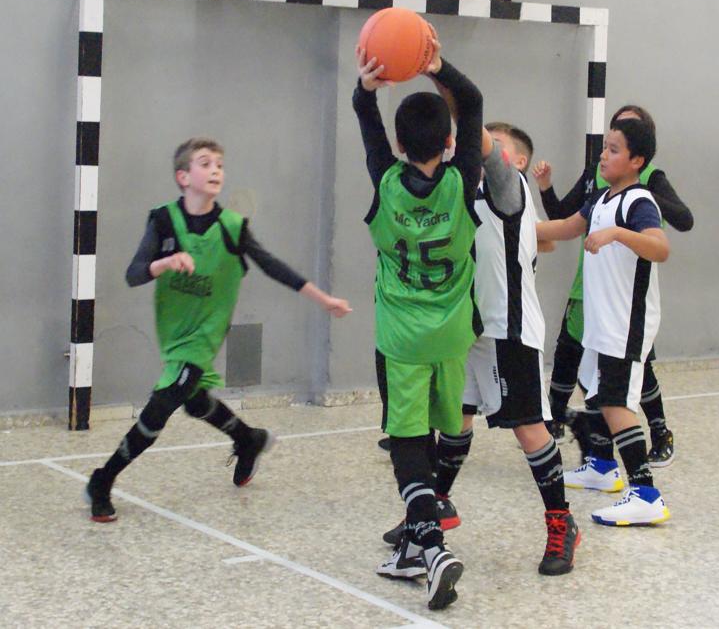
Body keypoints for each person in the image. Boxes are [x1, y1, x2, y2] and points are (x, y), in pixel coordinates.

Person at [83, 137, 351, 522]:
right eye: (205, 163)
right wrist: (165, 262)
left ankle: (101, 480)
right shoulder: (162, 221)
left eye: (220, 165)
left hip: (206, 332)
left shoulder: (232, 227)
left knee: (164, 403)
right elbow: (133, 274)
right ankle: (248, 439)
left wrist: (323, 299)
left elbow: (271, 265)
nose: (215, 171)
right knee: (193, 400)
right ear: (183, 176)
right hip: (175, 330)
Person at [408, 120, 580, 574]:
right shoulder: (467, 192)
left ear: (516, 160)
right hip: (468, 329)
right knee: (456, 419)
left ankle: (562, 523)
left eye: (493, 147)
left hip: (509, 329)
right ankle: (436, 507)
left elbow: (481, 142)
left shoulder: (510, 185)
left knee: (529, 431)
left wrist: (446, 91)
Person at [353, 34, 482, 611]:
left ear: (400, 145)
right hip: (453, 335)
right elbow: (473, 101)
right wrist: (437, 67)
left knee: (406, 441)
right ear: (452, 142)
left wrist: (366, 88)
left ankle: (429, 546)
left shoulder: (384, 182)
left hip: (402, 336)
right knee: (434, 434)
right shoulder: (463, 184)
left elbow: (367, 126)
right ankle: (415, 543)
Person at [533, 104, 693, 467]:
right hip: (600, 322)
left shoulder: (640, 201)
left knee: (616, 404)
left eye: (614, 149)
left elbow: (661, 248)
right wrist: (511, 225)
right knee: (594, 393)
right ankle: (602, 468)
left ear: (637, 160)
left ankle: (645, 493)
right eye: (604, 147)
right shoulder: (601, 199)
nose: (603, 155)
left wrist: (617, 234)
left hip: (625, 323)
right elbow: (560, 226)